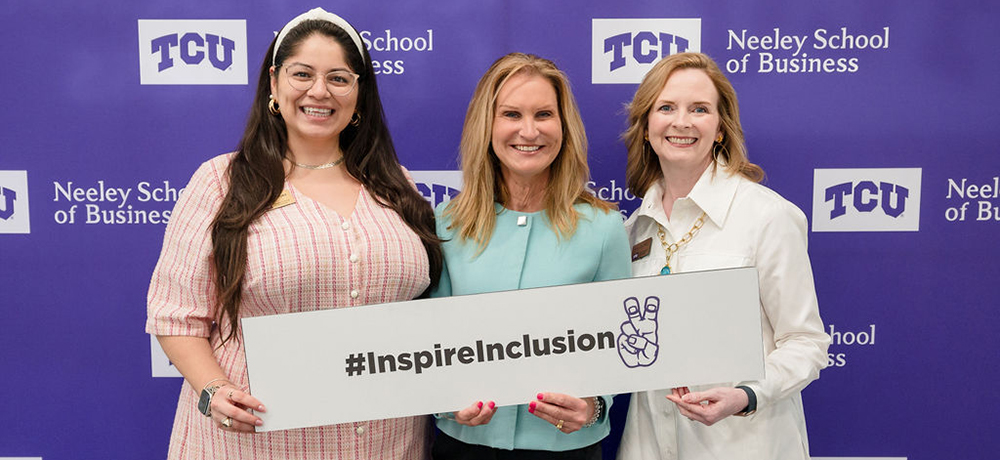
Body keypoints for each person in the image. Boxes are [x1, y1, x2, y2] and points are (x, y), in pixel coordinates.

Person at [146, 8, 441, 459]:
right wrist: (214, 390)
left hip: (387, 443)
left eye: (339, 78)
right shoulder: (220, 183)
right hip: (257, 442)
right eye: (302, 73)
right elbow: (175, 317)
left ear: (359, 94)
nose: (319, 91)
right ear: (274, 82)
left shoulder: (397, 185)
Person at [616, 52, 831, 460]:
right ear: (646, 127)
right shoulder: (633, 231)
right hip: (648, 446)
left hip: (745, 444)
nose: (682, 121)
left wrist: (745, 395)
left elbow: (806, 341)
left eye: (699, 109)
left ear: (719, 128)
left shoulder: (767, 216)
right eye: (666, 108)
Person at [430, 53, 632, 460]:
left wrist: (594, 407)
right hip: (464, 447)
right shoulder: (446, 224)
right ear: (487, 125)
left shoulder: (604, 228)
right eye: (511, 114)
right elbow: (429, 341)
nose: (529, 130)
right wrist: (445, 401)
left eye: (543, 114)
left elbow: (620, 346)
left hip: (566, 448)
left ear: (563, 125)